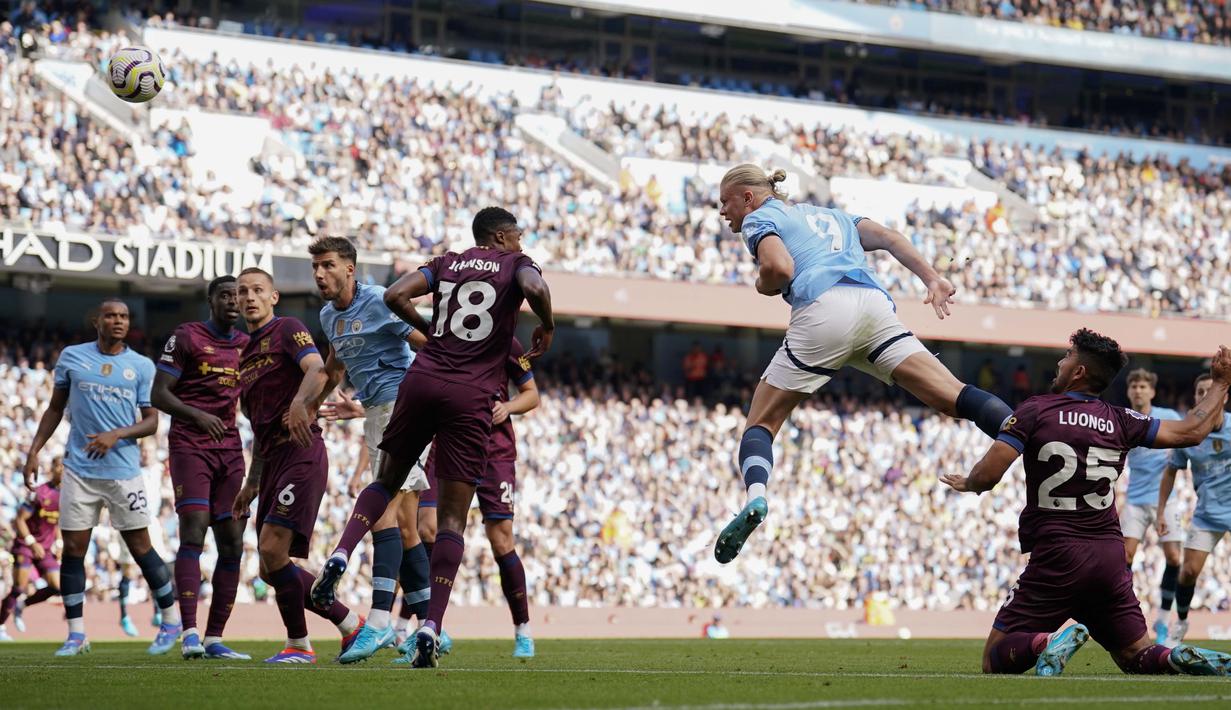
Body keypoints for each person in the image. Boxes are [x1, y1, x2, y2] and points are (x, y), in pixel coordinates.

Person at [714, 165, 1016, 564]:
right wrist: (932, 278)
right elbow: (889, 238)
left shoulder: (760, 217)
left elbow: (779, 269)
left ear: (747, 197)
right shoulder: (831, 216)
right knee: (953, 397)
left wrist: (763, 285)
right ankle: (1032, 437)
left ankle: (756, 498)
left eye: (725, 202)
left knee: (761, 425)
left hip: (823, 309)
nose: (723, 212)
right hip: (872, 305)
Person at [312, 206, 555, 669]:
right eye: (518, 235)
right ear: (502, 236)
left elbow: (395, 295)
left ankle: (342, 552)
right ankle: (430, 625)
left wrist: (433, 333)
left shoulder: (447, 260)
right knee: (450, 524)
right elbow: (535, 288)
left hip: (422, 380)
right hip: (469, 396)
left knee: (385, 484)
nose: (522, 243)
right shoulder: (516, 264)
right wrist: (548, 323)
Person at [941, 329, 1231, 677]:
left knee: (993, 660)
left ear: (1078, 371)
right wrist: (1220, 383)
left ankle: (1046, 643)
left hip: (1057, 554)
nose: (1060, 363)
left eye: (1066, 357)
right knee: (1135, 654)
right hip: (1109, 557)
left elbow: (988, 476)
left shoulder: (1036, 409)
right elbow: (1190, 432)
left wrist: (969, 482)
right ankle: (1173, 657)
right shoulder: (1123, 419)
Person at [292, 236, 431, 664]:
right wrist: (309, 405)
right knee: (406, 528)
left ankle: (377, 622)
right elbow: (334, 368)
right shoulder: (329, 315)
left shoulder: (379, 301)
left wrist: (431, 393)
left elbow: (430, 343)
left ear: (350, 268)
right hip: (376, 410)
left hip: (398, 408)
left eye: (328, 265)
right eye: (316, 266)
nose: (320, 274)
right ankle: (430, 626)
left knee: (382, 517)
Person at [21, 298, 181, 656]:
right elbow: (54, 407)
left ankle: (171, 621)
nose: (118, 321)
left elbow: (152, 421)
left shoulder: (140, 366)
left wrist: (117, 435)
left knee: (141, 548)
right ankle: (76, 634)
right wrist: (34, 451)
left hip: (123, 473)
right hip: (79, 471)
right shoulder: (72, 357)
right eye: (111, 316)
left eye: (124, 316)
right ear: (97, 321)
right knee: (74, 551)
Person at [228, 268, 363, 664]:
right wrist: (251, 483)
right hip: (271, 462)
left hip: (301, 451)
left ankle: (300, 645)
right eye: (242, 292)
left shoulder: (287, 328)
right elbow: (259, 429)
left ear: (272, 297)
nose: (249, 297)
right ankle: (349, 622)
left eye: (257, 290)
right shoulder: (245, 358)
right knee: (272, 570)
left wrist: (300, 405)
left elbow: (316, 368)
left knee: (273, 550)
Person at [396, 338, 539, 662]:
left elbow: (532, 395)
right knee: (426, 528)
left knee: (501, 539)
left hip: (494, 452)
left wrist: (508, 407)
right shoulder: (450, 332)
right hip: (448, 443)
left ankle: (523, 630)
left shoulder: (509, 344)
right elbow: (416, 337)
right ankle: (414, 627)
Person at [151, 275, 251, 660]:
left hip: (230, 451)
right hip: (190, 445)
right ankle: (189, 632)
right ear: (211, 302)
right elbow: (158, 394)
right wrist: (196, 415)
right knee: (193, 531)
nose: (232, 302)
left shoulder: (247, 345)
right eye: (225, 295)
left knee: (233, 542)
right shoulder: (187, 336)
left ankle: (214, 638)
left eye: (237, 296)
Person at [1156, 373, 1231, 647]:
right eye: (1199, 392)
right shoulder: (1188, 434)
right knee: (1188, 572)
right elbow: (1170, 471)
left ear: (1223, 397)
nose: (1204, 397)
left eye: (1209, 392)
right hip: (1208, 512)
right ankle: (1182, 621)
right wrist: (1161, 511)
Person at [1119, 368, 1184, 644]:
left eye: (1143, 386)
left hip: (1165, 500)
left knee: (1174, 559)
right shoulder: (1121, 418)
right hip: (1134, 499)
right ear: (1128, 391)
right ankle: (1123, 616)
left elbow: (1184, 443)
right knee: (1124, 558)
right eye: (1134, 386)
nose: (1138, 390)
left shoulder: (1168, 417)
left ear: (1152, 392)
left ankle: (1162, 619)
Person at [0, 457, 63, 640]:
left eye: (65, 467)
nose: (62, 470)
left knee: (57, 587)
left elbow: (57, 523)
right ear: (53, 469)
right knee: (19, 587)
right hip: (26, 546)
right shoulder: (39, 493)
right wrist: (31, 542)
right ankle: (1, 625)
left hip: (46, 548)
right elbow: (19, 519)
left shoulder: (67, 495)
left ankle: (22, 606)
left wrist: (59, 544)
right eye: (58, 466)